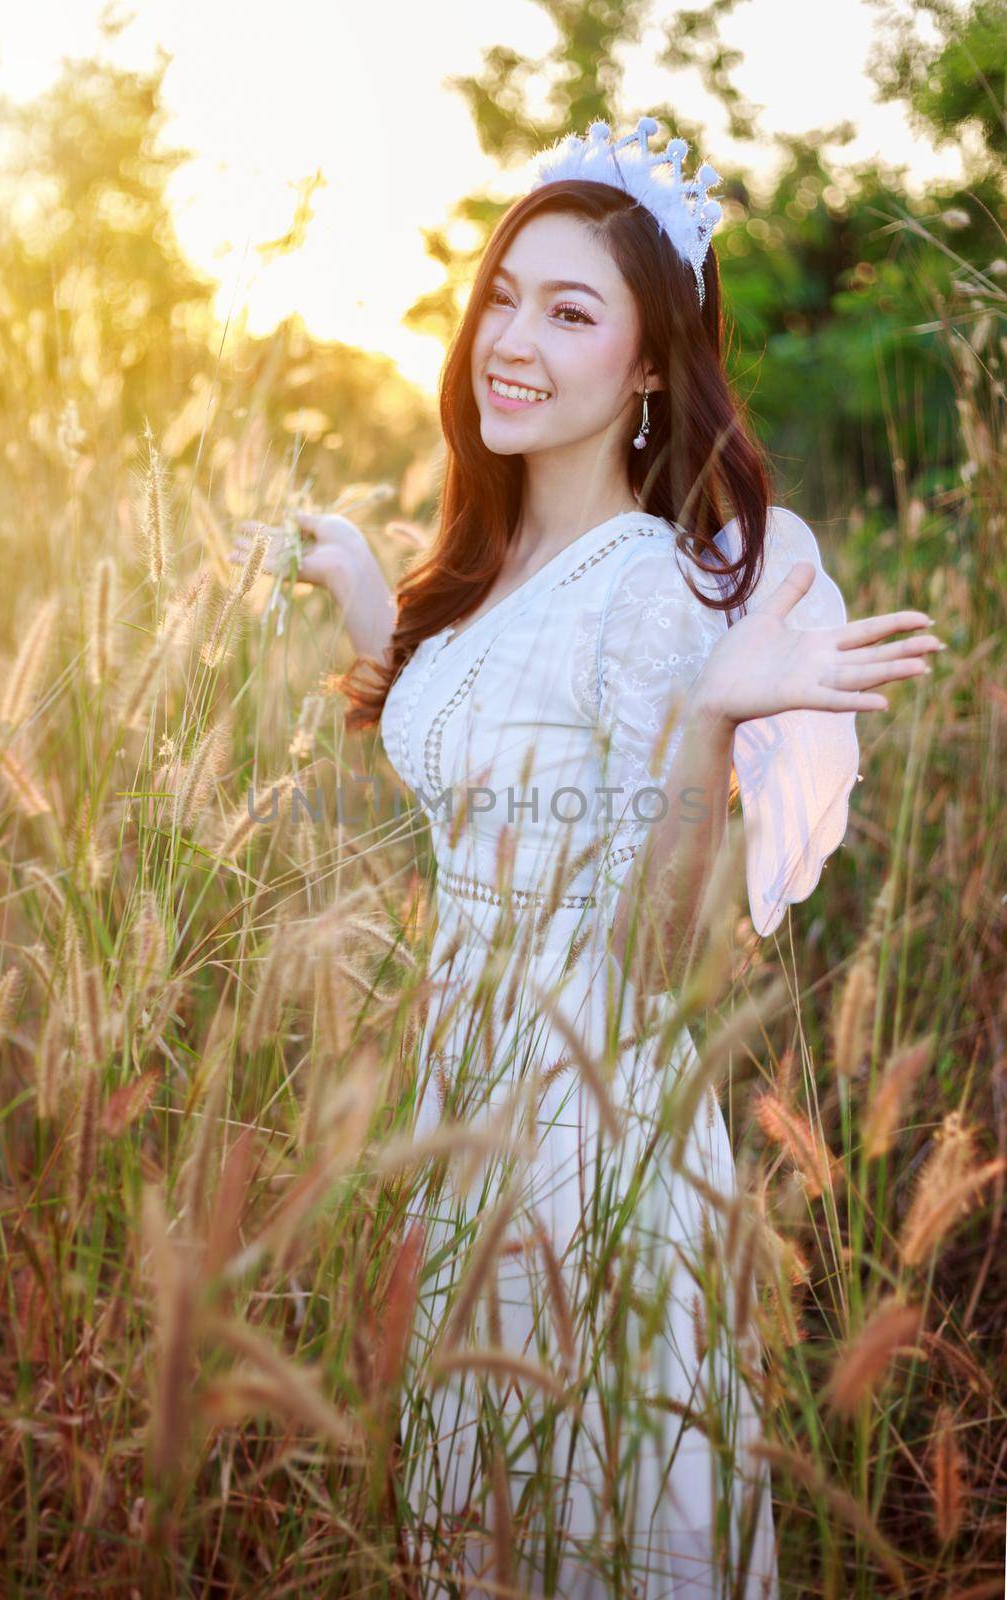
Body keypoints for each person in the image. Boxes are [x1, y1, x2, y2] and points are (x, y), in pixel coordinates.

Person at [232, 117, 944, 1599]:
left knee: (586, 1527)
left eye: (570, 314)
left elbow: (661, 963)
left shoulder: (651, 594)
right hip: (471, 1108)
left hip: (588, 1134)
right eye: (504, 294)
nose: (511, 338)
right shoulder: (497, 570)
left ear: (642, 373)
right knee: (482, 1529)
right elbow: (475, 787)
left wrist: (705, 726)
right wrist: (371, 591)